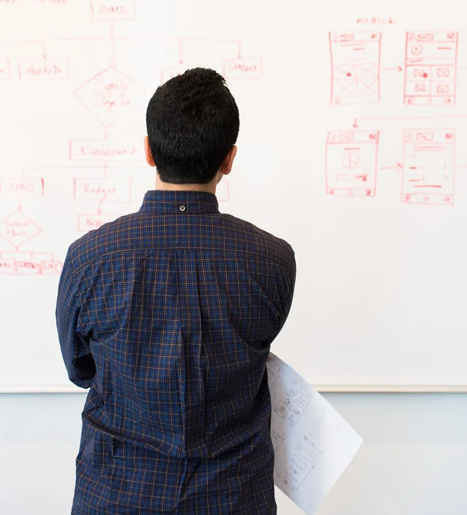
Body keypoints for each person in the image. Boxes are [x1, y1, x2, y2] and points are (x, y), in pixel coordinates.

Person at [55, 67, 297, 514]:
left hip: (116, 495)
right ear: (229, 159)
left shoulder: (89, 258)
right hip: (233, 498)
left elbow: (80, 370)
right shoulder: (273, 260)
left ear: (148, 151)